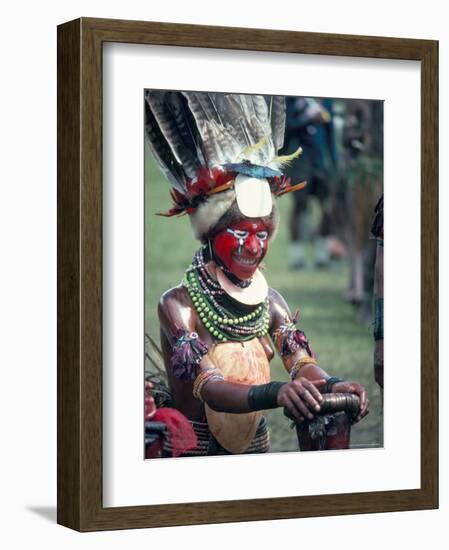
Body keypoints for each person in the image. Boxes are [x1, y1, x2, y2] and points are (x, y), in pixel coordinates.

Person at [145, 91, 369, 456]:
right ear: (211, 232)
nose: (253, 247)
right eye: (240, 233)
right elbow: (211, 386)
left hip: (256, 451)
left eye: (261, 234)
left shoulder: (269, 302)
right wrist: (275, 392)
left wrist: (334, 384)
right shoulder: (178, 305)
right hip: (194, 457)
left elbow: (301, 366)